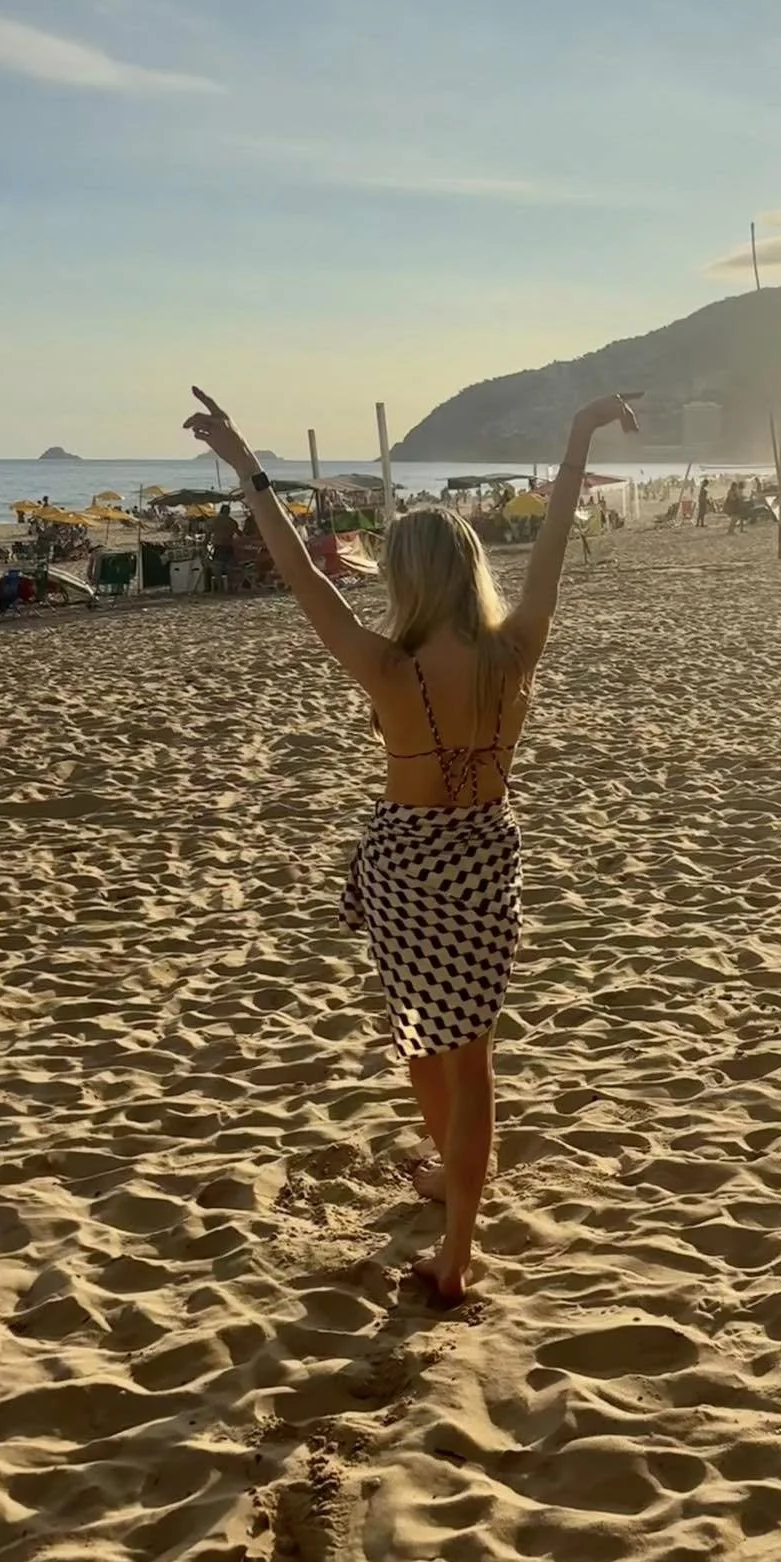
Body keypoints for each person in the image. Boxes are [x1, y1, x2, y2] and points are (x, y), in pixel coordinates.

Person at [182, 382, 641, 1304]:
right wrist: (578, 437)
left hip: (404, 866)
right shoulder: (516, 653)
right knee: (455, 1048)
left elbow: (303, 578)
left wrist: (250, 473)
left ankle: (457, 1251)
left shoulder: (386, 668)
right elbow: (551, 547)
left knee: (434, 1046)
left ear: (405, 578)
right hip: (484, 857)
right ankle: (458, 1178)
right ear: (471, 566)